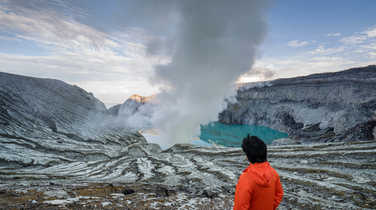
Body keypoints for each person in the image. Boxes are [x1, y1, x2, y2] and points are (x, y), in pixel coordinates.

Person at [233, 135, 283, 210]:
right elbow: (279, 194)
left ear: (247, 156)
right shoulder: (273, 173)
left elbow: (240, 207)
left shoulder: (246, 178)